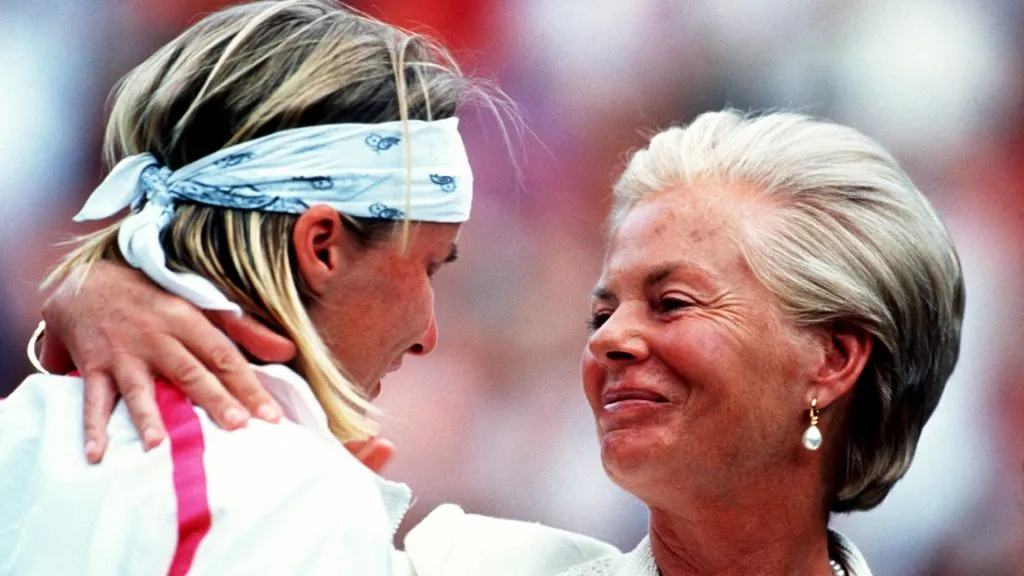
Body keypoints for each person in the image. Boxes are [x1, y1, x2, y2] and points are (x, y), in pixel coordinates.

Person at [40, 108, 966, 576]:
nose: (612, 342)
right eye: (602, 312)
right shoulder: (454, 565)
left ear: (834, 358)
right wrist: (106, 284)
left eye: (672, 302)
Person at [0, 2, 618, 574]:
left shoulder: (22, 429)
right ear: (321, 245)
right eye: (429, 267)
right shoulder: (292, 496)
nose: (428, 336)